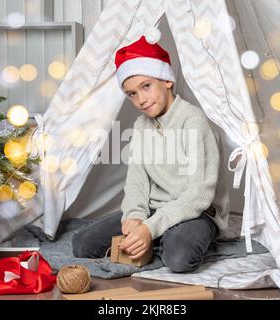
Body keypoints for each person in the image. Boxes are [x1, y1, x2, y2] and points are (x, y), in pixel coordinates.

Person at [72, 35, 229, 273]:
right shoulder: (141, 125)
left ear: (166, 80)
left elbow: (198, 196)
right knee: (83, 244)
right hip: (154, 211)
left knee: (178, 259)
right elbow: (136, 181)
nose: (141, 99)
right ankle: (156, 238)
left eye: (146, 86)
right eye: (132, 94)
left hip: (195, 213)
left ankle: (161, 239)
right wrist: (135, 216)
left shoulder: (193, 121)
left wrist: (149, 229)